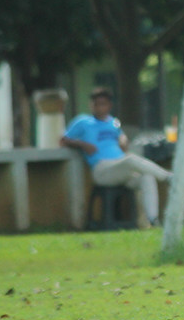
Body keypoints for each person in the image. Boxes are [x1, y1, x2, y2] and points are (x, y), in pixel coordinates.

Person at [61, 87, 173, 227]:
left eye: (101, 103)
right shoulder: (83, 121)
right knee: (131, 159)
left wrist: (123, 138)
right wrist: (82, 144)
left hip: (121, 169)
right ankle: (168, 177)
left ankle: (153, 220)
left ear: (109, 105)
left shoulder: (113, 123)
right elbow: (63, 140)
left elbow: (121, 136)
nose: (97, 107)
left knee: (147, 177)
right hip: (102, 170)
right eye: (95, 103)